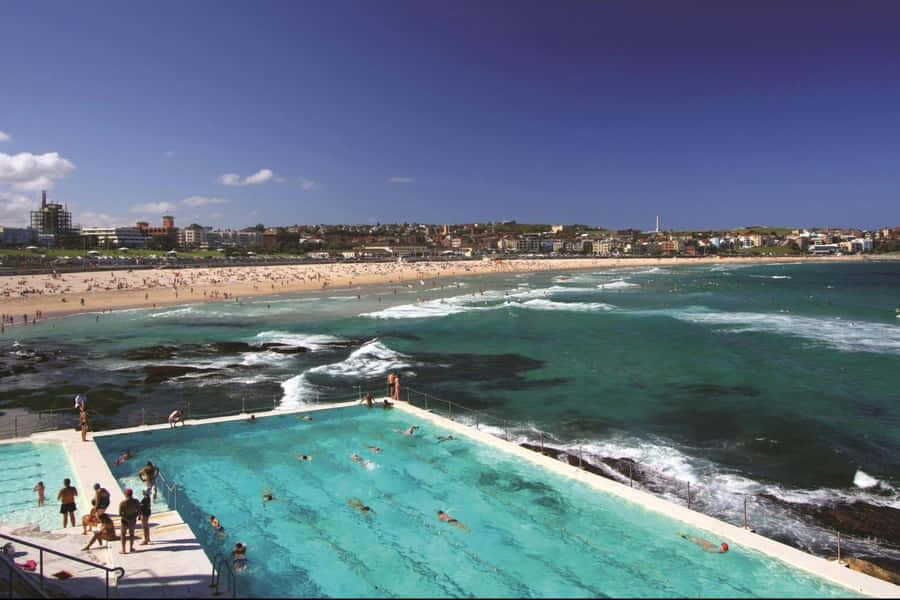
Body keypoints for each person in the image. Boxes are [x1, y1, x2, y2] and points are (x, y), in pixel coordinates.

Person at [118, 489, 141, 554]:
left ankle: (123, 550)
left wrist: (126, 518)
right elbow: (139, 511)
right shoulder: (136, 501)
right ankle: (131, 548)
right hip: (132, 520)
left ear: (125, 494)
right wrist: (135, 517)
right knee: (131, 534)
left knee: (123, 535)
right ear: (132, 494)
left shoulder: (122, 503)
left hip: (125, 520)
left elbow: (120, 514)